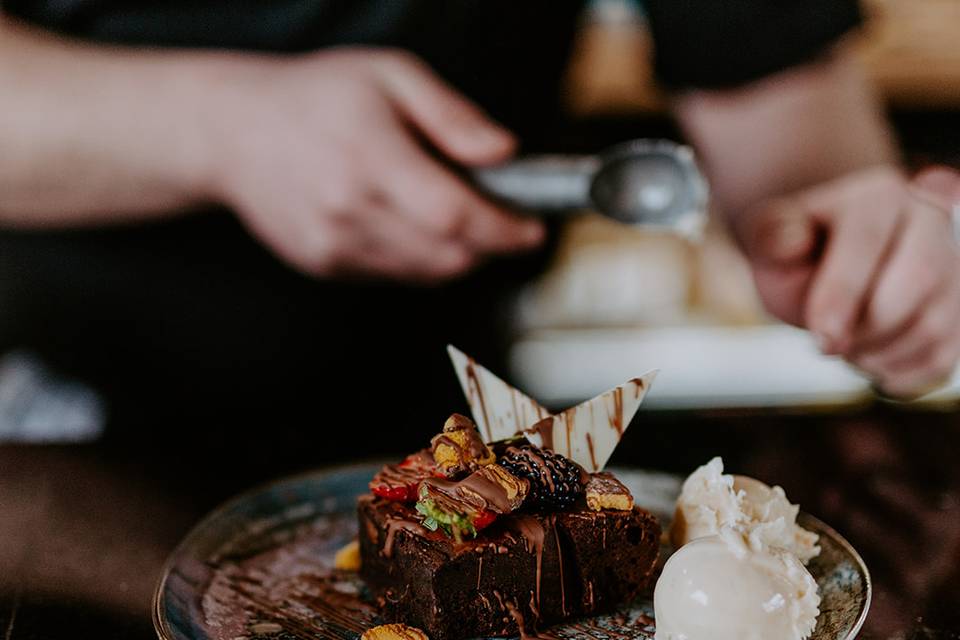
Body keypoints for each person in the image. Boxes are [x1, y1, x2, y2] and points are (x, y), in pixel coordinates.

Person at [0, 1, 957, 454]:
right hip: (41, 424)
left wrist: (875, 252)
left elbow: (782, 114)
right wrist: (215, 127)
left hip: (432, 417)